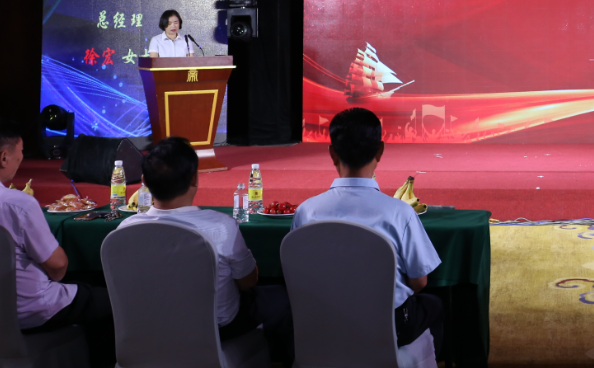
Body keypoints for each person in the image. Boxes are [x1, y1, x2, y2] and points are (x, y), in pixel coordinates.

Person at [118, 137, 292, 365]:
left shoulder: (124, 229)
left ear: (144, 181)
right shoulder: (221, 226)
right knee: (281, 299)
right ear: (194, 178)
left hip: (148, 327)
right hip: (216, 328)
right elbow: (248, 282)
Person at [293, 108, 444, 354]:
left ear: (332, 153)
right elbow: (419, 281)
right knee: (435, 304)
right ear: (380, 151)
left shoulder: (306, 212)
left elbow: (299, 274)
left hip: (323, 324)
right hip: (388, 327)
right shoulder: (400, 213)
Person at [0, 117, 115, 366]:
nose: (21, 159)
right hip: (27, 312)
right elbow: (57, 267)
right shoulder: (16, 203)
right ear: (4, 158)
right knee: (113, 302)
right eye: (21, 153)